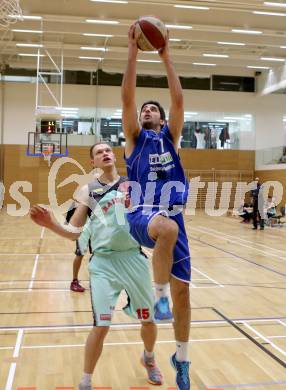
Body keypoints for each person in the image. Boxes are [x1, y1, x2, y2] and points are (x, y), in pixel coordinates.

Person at [30, 142, 163, 390]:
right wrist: (51, 224)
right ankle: (86, 380)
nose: (105, 153)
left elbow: (151, 217)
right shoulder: (88, 192)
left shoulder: (132, 185)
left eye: (108, 150)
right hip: (103, 264)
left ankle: (149, 357)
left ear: (114, 156)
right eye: (99, 152)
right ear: (93, 162)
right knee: (101, 325)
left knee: (148, 320)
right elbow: (73, 232)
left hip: (134, 259)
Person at [121, 24, 191, 389]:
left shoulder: (169, 139)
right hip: (141, 215)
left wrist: (166, 56)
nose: (146, 111)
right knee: (166, 227)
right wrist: (133, 51)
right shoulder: (134, 140)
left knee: (185, 294)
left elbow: (179, 102)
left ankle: (181, 357)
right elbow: (127, 99)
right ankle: (158, 297)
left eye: (153, 109)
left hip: (172, 219)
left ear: (161, 120)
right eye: (144, 109)